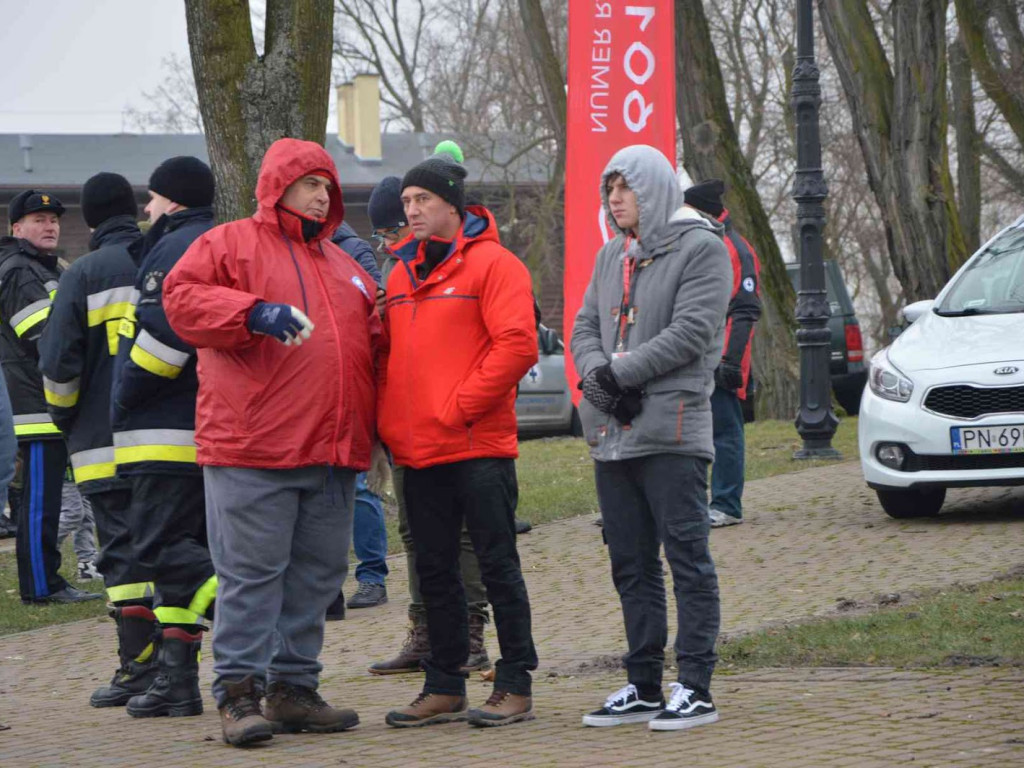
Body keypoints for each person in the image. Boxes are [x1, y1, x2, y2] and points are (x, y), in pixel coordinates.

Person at [164, 137, 380, 747]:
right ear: (278, 185)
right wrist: (252, 313)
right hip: (253, 447)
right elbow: (180, 301)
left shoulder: (347, 267)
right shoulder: (228, 243)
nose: (322, 196)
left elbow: (376, 344)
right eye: (311, 183)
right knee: (252, 577)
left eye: (328, 187)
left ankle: (292, 689)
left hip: (333, 452)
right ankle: (238, 693)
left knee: (317, 577)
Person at [571, 145, 731, 731]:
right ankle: (642, 683)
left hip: (674, 433)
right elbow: (585, 324)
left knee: (687, 558)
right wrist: (599, 377)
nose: (614, 200)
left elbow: (693, 331)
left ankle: (695, 685)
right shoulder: (611, 254)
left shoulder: (702, 249)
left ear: (655, 190)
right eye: (609, 189)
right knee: (630, 564)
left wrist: (623, 371)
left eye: (625, 188)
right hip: (613, 433)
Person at [379, 152, 538, 728]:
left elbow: (517, 345)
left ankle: (516, 681)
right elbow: (388, 356)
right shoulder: (399, 274)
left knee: (497, 566)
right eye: (406, 203)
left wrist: (460, 407)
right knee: (434, 572)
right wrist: (391, 422)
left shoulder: (495, 265)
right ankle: (445, 684)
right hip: (418, 450)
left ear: (452, 203)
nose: (413, 211)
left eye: (422, 200)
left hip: (478, 446)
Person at [38, 171, 160, 708]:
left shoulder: (82, 273)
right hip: (176, 445)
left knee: (123, 558)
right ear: (134, 209)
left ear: (89, 219)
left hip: (104, 444)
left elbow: (57, 364)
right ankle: (181, 666)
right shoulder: (166, 260)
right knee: (177, 549)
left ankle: (139, 668)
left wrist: (66, 418)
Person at [365, 174, 491, 677]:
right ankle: (425, 631)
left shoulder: (478, 262)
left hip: (457, 426)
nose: (388, 243)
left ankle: (471, 634)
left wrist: (460, 404)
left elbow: (507, 342)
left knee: (460, 535)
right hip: (407, 424)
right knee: (415, 533)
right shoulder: (396, 271)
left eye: (390, 231)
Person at [109, 157, 217, 719]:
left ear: (171, 200)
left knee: (156, 549)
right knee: (179, 560)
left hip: (163, 431)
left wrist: (125, 396)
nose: (146, 210)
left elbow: (163, 334)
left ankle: (245, 605)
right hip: (193, 430)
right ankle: (179, 684)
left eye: (150, 199)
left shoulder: (174, 247)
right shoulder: (202, 239)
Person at [0, 189, 101, 605]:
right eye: (39, 219)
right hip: (36, 408)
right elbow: (47, 342)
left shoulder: (43, 269)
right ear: (16, 228)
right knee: (41, 502)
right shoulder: (23, 272)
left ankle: (46, 580)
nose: (50, 225)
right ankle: (42, 586)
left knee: (44, 500)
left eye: (54, 219)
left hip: (44, 403)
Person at [683, 179, 762, 528]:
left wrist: (730, 361)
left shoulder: (735, 248)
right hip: (701, 354)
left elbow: (745, 309)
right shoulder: (705, 242)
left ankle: (727, 503)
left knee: (726, 430)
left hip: (723, 357)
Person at [326, 222, 389, 613]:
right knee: (323, 490)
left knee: (361, 486)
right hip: (318, 388)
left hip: (354, 380)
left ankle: (372, 577)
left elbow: (375, 313)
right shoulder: (290, 250)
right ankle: (327, 586)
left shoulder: (353, 251)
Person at [57, 478, 99, 579]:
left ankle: (87, 566)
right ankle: (39, 551)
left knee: (86, 515)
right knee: (73, 514)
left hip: (77, 472)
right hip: (64, 472)